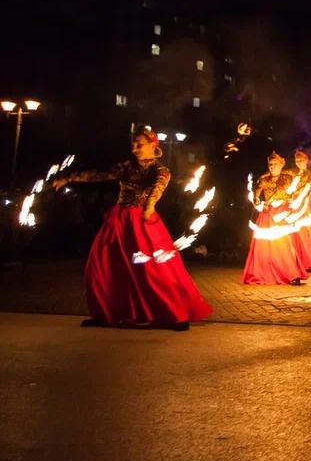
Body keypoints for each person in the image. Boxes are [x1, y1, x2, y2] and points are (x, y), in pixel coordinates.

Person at [52, 128, 212, 330]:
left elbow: (158, 188)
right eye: (133, 144)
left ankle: (174, 315)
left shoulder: (160, 170)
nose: (134, 148)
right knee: (101, 264)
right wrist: (69, 178)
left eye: (140, 144)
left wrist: (150, 205)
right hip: (119, 221)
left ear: (154, 145)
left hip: (143, 221)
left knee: (151, 268)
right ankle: (105, 313)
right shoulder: (126, 166)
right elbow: (100, 175)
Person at [241, 152, 307, 285]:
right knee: (264, 248)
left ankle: (291, 274)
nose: (271, 167)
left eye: (275, 164)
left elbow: (293, 190)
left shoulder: (288, 177)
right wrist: (258, 202)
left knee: (284, 246)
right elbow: (256, 195)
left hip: (282, 214)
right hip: (267, 215)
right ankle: (261, 273)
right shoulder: (263, 179)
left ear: (281, 164)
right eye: (270, 164)